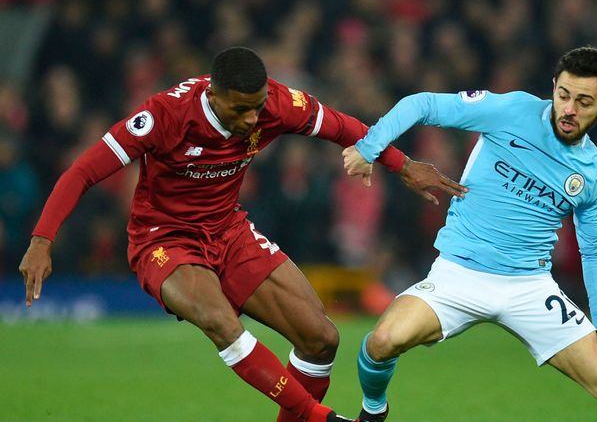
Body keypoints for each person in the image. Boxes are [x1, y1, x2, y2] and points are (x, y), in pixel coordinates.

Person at [19, 46, 466, 422]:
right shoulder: (164, 116)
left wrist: (404, 165)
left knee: (321, 338)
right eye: (240, 108)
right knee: (223, 324)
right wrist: (42, 240)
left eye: (257, 106)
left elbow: (345, 127)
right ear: (213, 94)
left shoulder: (275, 104)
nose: (253, 118)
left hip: (228, 229)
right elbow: (82, 171)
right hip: (165, 239)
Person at [342, 46, 597, 421]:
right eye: (563, 95)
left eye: (583, 102)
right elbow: (422, 104)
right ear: (553, 87)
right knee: (383, 341)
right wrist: (368, 148)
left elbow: (595, 251)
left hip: (529, 287)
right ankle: (374, 410)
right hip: (459, 273)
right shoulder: (511, 111)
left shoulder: (594, 175)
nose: (569, 109)